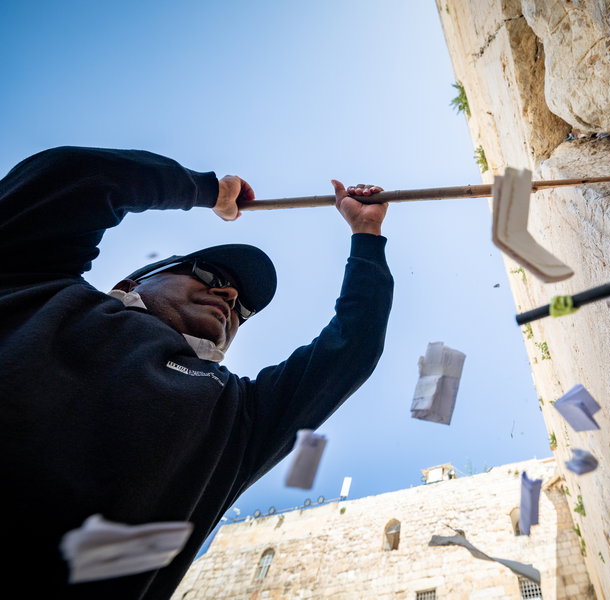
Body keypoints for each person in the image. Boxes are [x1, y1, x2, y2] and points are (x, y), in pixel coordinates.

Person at [0, 146, 394, 598]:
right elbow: (76, 176)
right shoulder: (34, 283)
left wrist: (366, 234)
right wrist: (210, 191)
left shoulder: (238, 418)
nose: (229, 296)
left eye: (242, 308)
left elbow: (352, 346)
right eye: (207, 275)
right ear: (129, 285)